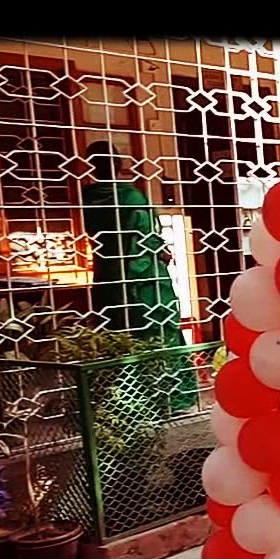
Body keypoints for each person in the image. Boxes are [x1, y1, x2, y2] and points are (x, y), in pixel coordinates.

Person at [81, 141, 197, 412]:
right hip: (143, 275)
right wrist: (163, 252)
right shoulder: (132, 197)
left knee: (118, 332)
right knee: (157, 331)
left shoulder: (88, 196)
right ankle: (168, 397)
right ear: (119, 164)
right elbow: (146, 239)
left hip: (109, 273)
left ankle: (125, 400)